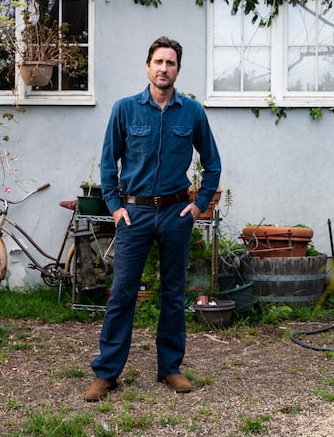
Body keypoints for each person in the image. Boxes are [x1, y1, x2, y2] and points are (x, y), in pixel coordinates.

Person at [84, 36, 222, 401]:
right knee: (122, 294)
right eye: (159, 62)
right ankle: (107, 373)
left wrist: (200, 204)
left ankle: (171, 368)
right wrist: (115, 206)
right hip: (136, 214)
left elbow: (213, 163)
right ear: (148, 67)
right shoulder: (125, 109)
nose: (164, 68)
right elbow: (107, 162)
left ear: (178, 69)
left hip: (176, 214)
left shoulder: (192, 112)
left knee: (174, 294)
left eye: (171, 63)